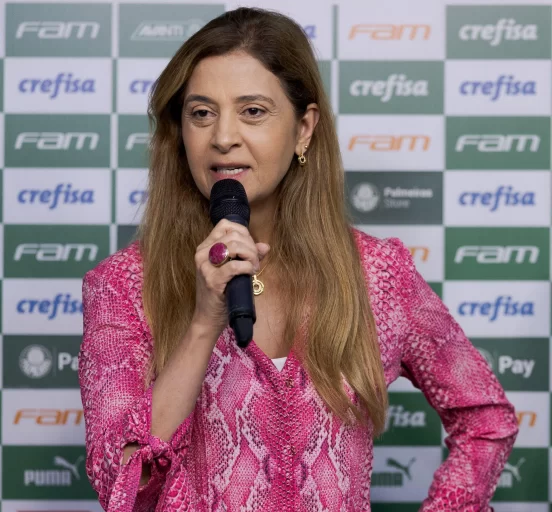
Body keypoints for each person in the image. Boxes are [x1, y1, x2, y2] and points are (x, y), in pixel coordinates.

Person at [78, 7, 518, 511]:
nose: (223, 136)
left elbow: (485, 419)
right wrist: (204, 322)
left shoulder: (376, 274)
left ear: (304, 129)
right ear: (181, 133)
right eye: (201, 112)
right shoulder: (123, 285)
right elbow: (123, 484)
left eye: (253, 111)